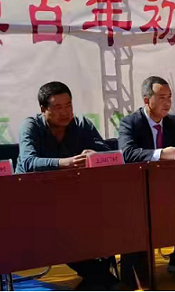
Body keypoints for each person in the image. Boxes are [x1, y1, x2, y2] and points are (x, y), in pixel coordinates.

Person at [16, 82, 119, 289]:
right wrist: (65, 163)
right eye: (58, 107)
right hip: (32, 202)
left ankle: (102, 277)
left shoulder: (82, 124)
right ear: (43, 109)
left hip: (71, 200)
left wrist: (96, 155)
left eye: (68, 106)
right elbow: (28, 162)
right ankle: (102, 278)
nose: (65, 112)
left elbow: (108, 154)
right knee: (66, 228)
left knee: (112, 214)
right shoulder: (31, 126)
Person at [118, 76, 175, 283]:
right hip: (140, 191)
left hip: (172, 188)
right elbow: (127, 154)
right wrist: (162, 154)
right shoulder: (130, 123)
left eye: (169, 97)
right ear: (147, 100)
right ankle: (136, 275)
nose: (167, 102)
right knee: (134, 218)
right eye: (162, 97)